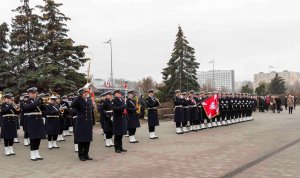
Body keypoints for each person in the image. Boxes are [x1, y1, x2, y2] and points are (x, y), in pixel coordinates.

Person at [23, 87, 46, 161]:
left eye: (35, 93)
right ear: (29, 94)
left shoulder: (37, 101)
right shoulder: (27, 101)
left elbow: (44, 109)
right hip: (32, 121)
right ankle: (32, 154)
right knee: (33, 137)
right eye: (33, 93)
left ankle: (37, 153)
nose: (34, 94)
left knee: (38, 137)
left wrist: (42, 102)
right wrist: (37, 100)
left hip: (39, 120)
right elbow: (28, 108)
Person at [71, 87, 94, 161]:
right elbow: (73, 104)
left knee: (87, 139)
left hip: (88, 123)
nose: (86, 93)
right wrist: (79, 96)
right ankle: (81, 155)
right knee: (81, 140)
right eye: (84, 93)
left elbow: (91, 112)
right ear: (81, 94)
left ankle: (86, 154)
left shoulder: (89, 100)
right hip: (81, 122)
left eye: (86, 92)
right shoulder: (78, 100)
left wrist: (92, 122)